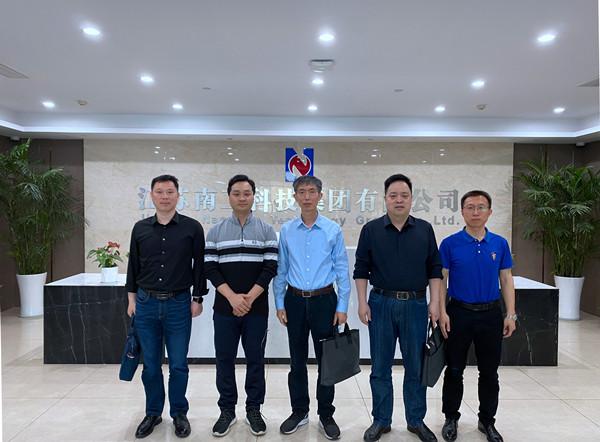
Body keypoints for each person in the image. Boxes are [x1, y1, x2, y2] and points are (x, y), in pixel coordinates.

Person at [354, 173, 442, 442]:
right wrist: (362, 302)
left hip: (416, 305)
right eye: (393, 195)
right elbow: (361, 269)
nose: (399, 200)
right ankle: (381, 420)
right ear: (385, 199)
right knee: (380, 366)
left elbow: (435, 269)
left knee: (415, 366)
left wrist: (435, 302)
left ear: (412, 199)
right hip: (380, 303)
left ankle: (416, 420)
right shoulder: (371, 230)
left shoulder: (425, 229)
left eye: (404, 195)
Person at [125, 174, 206, 439]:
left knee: (179, 364)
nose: (165, 196)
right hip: (146, 304)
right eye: (159, 192)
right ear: (151, 195)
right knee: (150, 364)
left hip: (179, 304)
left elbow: (199, 266)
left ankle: (179, 413)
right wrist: (131, 299)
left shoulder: (192, 228)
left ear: (178, 196)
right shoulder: (140, 228)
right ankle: (153, 413)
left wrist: (197, 298)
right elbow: (133, 266)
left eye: (170, 192)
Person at [273, 175, 351, 441]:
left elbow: (341, 269)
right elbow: (281, 269)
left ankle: (326, 414)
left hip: (324, 301)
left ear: (320, 195)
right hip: (294, 300)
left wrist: (342, 306)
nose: (306, 196)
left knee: (326, 362)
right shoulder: (287, 230)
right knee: (297, 361)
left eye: (311, 191)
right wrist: (279, 302)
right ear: (295, 196)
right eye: (302, 192)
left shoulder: (332, 229)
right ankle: (299, 411)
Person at [438, 190, 516, 442]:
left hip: (491, 314)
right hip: (458, 313)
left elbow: (506, 279)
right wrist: (441, 312)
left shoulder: (499, 244)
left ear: (489, 212)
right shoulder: (449, 244)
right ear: (462, 211)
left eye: (481, 207)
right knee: (454, 370)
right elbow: (441, 280)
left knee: (489, 373)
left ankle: (487, 421)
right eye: (470, 207)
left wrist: (510, 314)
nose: (475, 212)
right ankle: (451, 418)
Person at [204, 174, 278, 437]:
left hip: (256, 310)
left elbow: (270, 267)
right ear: (229, 197)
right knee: (224, 359)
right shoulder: (216, 231)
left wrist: (248, 298)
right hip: (224, 310)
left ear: (253, 196)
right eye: (236, 193)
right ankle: (227, 410)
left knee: (255, 360)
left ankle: (253, 409)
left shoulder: (266, 230)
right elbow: (210, 268)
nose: (242, 198)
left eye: (247, 193)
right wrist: (233, 298)